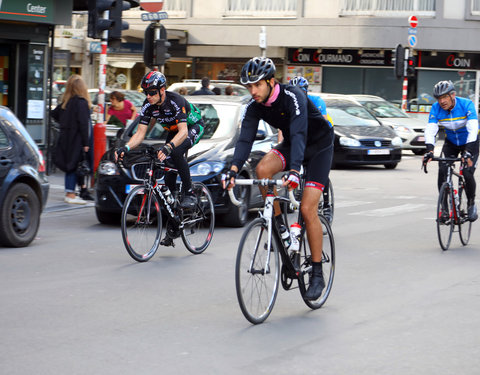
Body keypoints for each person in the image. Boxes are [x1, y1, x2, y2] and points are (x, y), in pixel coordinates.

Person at [222, 57, 334, 300]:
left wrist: (294, 170)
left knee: (306, 209)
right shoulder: (254, 106)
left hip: (318, 147)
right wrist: (232, 170)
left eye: (257, 85)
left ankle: (317, 272)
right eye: (248, 87)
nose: (252, 91)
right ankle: (280, 228)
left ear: (271, 82)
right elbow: (245, 140)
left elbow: (300, 132)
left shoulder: (293, 96)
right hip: (294, 143)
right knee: (262, 169)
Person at [115, 71, 205, 245]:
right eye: (146, 92)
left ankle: (189, 192)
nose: (148, 96)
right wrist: (126, 147)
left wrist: (169, 146)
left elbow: (183, 132)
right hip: (173, 131)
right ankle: (174, 225)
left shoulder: (176, 101)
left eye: (152, 92)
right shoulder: (148, 105)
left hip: (192, 127)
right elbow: (140, 133)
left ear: (162, 90)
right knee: (166, 174)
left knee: (176, 152)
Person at [423, 80, 479, 221]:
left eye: (444, 97)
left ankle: (471, 203)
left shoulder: (466, 104)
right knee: (442, 170)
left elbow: (473, 129)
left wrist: (468, 151)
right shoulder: (436, 108)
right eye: (439, 98)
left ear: (452, 95)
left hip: (470, 142)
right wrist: (430, 150)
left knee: (466, 172)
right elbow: (430, 130)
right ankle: (444, 209)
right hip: (451, 143)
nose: (441, 101)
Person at [288, 75, 334, 223]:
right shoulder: (291, 103)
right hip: (304, 135)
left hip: (323, 134)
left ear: (306, 91)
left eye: (301, 91)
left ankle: (326, 206)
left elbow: (323, 123)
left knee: (321, 171)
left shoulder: (316, 101)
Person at [51, 74, 92, 204]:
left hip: (65, 138)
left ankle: (70, 192)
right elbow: (83, 124)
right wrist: (86, 143)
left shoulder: (65, 103)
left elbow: (53, 114)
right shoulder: (81, 102)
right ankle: (70, 194)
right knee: (74, 165)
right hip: (76, 139)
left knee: (70, 165)